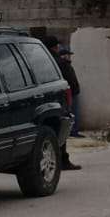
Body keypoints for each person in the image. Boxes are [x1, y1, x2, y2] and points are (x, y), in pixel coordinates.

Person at [43, 37, 81, 171]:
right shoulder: (60, 62)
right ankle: (62, 160)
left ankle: (53, 160)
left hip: (44, 100)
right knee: (62, 130)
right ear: (55, 47)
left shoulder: (40, 61)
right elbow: (70, 82)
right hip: (60, 100)